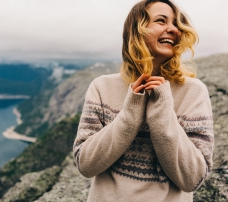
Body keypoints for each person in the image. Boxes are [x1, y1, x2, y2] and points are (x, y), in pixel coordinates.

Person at [73, 0, 214, 201]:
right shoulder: (102, 87)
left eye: (176, 24)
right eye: (161, 21)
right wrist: (130, 114)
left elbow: (193, 179)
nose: (173, 29)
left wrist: (163, 111)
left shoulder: (193, 91)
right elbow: (86, 165)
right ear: (137, 30)